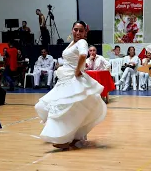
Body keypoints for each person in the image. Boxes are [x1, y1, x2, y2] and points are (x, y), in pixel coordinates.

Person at [34, 21, 107, 150]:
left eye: (81, 30)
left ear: (85, 32)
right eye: (75, 30)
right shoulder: (72, 43)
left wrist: (78, 70)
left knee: (65, 108)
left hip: (73, 78)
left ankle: (64, 138)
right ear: (72, 30)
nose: (78, 33)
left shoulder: (82, 42)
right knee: (69, 108)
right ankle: (72, 136)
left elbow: (83, 55)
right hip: (66, 78)